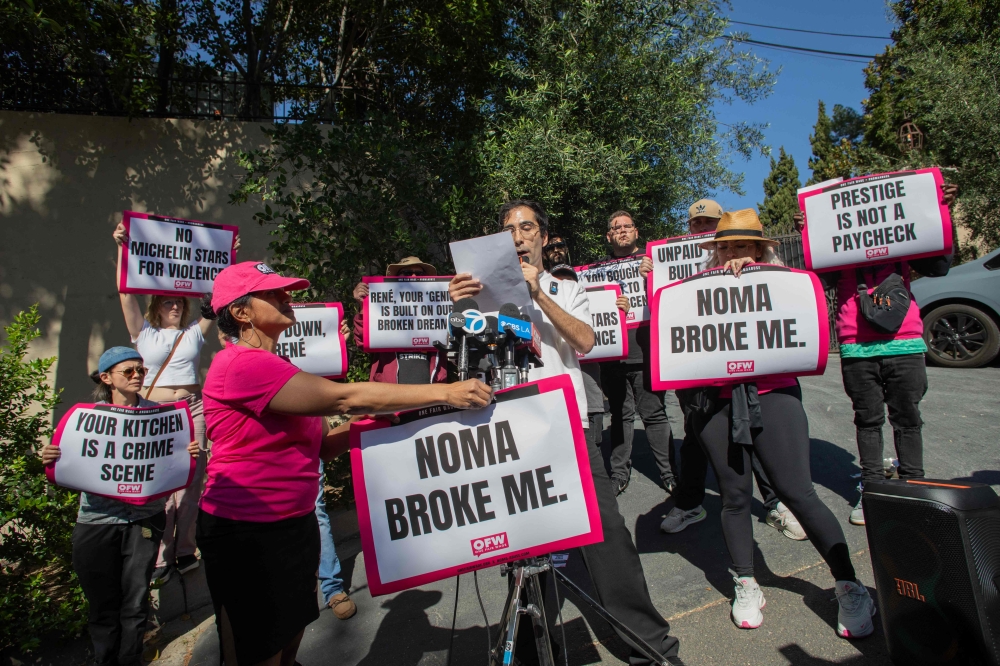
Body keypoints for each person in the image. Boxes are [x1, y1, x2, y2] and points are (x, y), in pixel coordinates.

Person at [197, 260, 491, 666]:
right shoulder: (242, 364)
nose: (288, 297)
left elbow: (318, 448)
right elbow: (345, 398)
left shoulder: (280, 366)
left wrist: (383, 424)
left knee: (288, 641)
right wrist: (446, 393)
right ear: (241, 312)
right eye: (273, 293)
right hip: (248, 530)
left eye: (287, 290)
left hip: (292, 523)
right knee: (259, 651)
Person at [449, 200, 685, 665]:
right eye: (509, 230)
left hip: (568, 428)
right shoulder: (480, 296)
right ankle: (534, 651)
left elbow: (585, 341)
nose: (518, 236)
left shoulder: (564, 286)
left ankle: (652, 650)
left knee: (608, 539)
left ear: (541, 236)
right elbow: (461, 364)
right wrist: (458, 308)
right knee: (528, 551)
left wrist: (539, 295)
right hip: (508, 437)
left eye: (527, 227)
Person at [692, 209, 875, 636]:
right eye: (725, 246)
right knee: (734, 497)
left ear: (759, 247)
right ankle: (746, 582)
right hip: (716, 403)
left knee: (798, 492)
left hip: (774, 396)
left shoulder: (782, 279)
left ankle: (849, 585)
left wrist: (754, 275)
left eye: (741, 245)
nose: (732, 253)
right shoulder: (698, 289)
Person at [793, 182, 956, 525]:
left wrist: (943, 215)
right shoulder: (836, 246)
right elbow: (817, 281)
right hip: (856, 345)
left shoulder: (904, 239)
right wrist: (811, 236)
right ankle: (873, 492)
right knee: (868, 421)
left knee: (907, 419)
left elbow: (939, 265)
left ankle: (915, 487)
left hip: (906, 341)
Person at [645, 200, 805, 541]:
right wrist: (649, 277)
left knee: (753, 431)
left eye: (709, 224)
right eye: (696, 224)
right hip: (699, 368)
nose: (701, 229)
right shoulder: (674, 260)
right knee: (695, 434)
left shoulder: (762, 267)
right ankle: (690, 502)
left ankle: (776, 502)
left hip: (753, 374)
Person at [41, 347, 199, 666]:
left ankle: (130, 660)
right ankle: (105, 660)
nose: (137, 375)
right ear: (106, 378)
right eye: (128, 371)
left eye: (140, 369)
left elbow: (172, 460)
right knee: (102, 604)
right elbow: (69, 459)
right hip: (96, 522)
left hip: (144, 520)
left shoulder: (161, 416)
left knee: (135, 601)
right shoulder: (89, 419)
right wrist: (51, 458)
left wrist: (188, 452)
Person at [111, 223, 234, 586]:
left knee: (193, 479)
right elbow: (124, 293)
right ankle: (162, 556)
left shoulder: (195, 331)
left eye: (179, 302)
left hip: (192, 407)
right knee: (163, 482)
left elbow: (216, 303)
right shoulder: (143, 333)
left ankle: (185, 549)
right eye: (169, 302)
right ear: (157, 307)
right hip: (156, 410)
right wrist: (123, 248)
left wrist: (228, 255)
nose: (176, 306)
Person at [598, 210, 675, 496]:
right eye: (615, 227)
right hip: (613, 355)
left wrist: (651, 278)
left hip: (645, 351)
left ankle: (669, 474)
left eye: (626, 226)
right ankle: (619, 474)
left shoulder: (652, 263)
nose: (621, 231)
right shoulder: (599, 271)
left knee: (654, 414)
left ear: (636, 231)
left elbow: (672, 298)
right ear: (609, 236)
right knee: (619, 415)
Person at [352, 256, 448, 384]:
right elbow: (363, 342)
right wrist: (363, 305)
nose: (414, 277)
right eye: (407, 273)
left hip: (431, 395)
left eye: (419, 274)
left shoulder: (439, 307)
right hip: (390, 397)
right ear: (396, 278)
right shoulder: (382, 310)